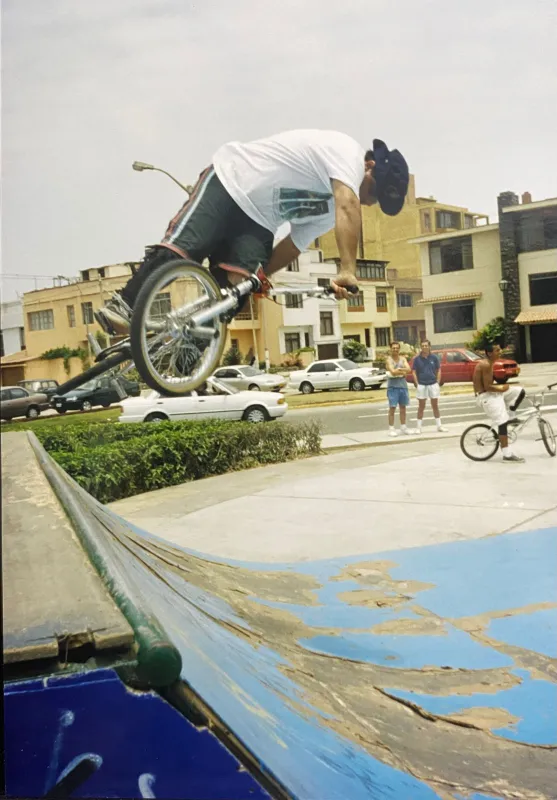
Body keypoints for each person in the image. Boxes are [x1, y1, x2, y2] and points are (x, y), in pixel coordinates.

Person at [95, 130, 409, 335]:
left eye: (378, 200)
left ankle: (187, 359)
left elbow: (294, 244)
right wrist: (348, 270)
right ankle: (124, 305)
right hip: (232, 182)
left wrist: (261, 275)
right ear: (369, 166)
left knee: (238, 292)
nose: (371, 200)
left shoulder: (330, 211)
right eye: (374, 190)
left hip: (257, 221)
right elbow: (348, 205)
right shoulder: (346, 153)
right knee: (185, 246)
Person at [473, 342, 526, 463]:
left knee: (519, 391)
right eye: (497, 350)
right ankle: (507, 455)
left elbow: (491, 384)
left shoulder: (490, 363)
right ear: (489, 353)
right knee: (502, 422)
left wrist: (502, 387)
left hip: (491, 393)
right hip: (486, 396)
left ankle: (511, 415)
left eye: (499, 349)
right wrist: (501, 388)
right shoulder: (485, 364)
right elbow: (487, 387)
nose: (500, 352)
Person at [412, 340, 448, 433]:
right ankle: (418, 428)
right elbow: (414, 371)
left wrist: (438, 381)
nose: (424, 347)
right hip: (422, 384)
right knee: (421, 406)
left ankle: (439, 426)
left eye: (426, 345)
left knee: (435, 406)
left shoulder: (434, 358)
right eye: (423, 346)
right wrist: (416, 383)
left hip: (433, 384)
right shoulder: (417, 359)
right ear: (421, 347)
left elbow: (438, 369)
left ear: (429, 346)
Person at [386, 341, 412, 436]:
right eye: (393, 348)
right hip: (393, 387)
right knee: (392, 408)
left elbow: (409, 369)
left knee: (403, 408)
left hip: (403, 386)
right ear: (390, 349)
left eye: (397, 348)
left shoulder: (403, 359)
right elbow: (392, 371)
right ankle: (391, 428)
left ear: (399, 349)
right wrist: (403, 371)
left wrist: (399, 370)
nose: (395, 350)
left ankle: (403, 427)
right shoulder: (389, 360)